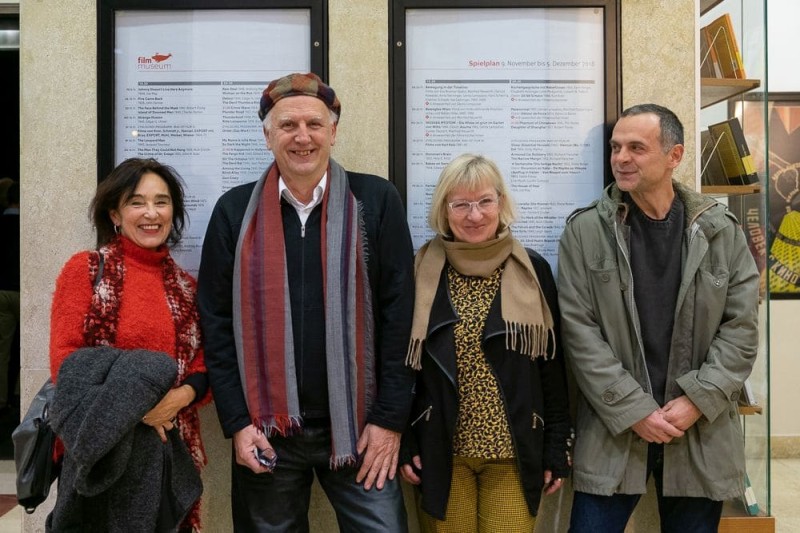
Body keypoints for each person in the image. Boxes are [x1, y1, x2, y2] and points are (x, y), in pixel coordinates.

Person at [197, 72, 416, 532]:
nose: (302, 137)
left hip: (361, 427)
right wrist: (237, 423)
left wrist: (390, 421)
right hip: (267, 430)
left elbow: (401, 316)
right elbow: (215, 324)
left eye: (314, 124)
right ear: (267, 135)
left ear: (333, 132)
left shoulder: (375, 200)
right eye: (288, 125)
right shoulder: (234, 213)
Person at [557, 103, 760, 532]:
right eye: (615, 147)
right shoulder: (585, 231)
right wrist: (634, 410)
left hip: (697, 429)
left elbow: (741, 331)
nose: (621, 158)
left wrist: (696, 401)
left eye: (636, 147)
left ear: (674, 155)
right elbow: (579, 332)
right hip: (615, 428)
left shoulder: (721, 230)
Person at [399, 153, 572, 532]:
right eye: (460, 204)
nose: (474, 215)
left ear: (501, 203)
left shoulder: (533, 269)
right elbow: (402, 367)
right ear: (445, 210)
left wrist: (557, 446)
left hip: (514, 454)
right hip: (441, 454)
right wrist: (405, 441)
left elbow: (552, 367)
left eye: (484, 202)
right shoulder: (421, 270)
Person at [48, 158, 210, 531]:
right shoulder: (87, 271)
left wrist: (176, 399)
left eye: (161, 202)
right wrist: (136, 410)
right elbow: (66, 360)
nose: (151, 213)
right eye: (136, 202)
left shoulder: (185, 289)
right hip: (101, 453)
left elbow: (203, 364)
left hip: (170, 452)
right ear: (115, 214)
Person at [0, 181, 20, 410]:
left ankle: (1, 397)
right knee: (26, 345)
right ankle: (18, 394)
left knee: (2, 348)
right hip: (22, 293)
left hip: (2, 290)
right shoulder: (28, 224)